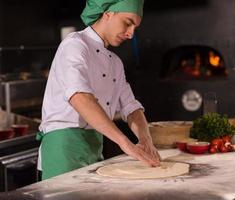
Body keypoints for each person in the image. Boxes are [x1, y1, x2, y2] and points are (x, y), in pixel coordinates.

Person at [37, 0, 161, 180]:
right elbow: (80, 98)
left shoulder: (115, 63)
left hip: (95, 145)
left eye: (135, 27)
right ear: (108, 13)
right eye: (127, 23)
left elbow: (131, 107)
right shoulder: (75, 45)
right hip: (64, 146)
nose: (130, 33)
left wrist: (146, 140)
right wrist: (125, 143)